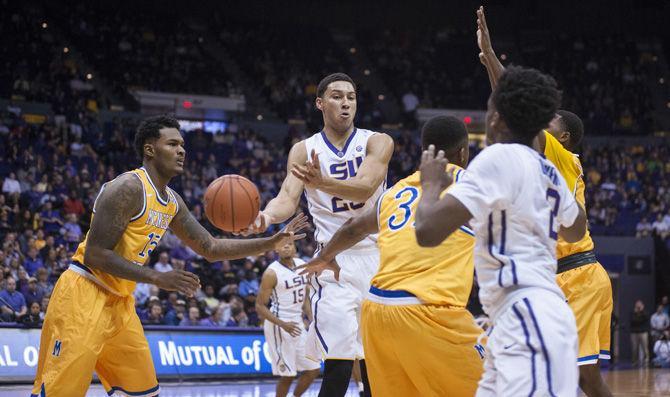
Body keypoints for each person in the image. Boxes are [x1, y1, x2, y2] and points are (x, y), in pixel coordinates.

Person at [31, 115, 309, 397]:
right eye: (173, 143)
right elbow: (95, 255)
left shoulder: (172, 201)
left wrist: (270, 242)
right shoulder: (127, 188)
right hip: (83, 294)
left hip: (119, 304)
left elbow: (210, 248)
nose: (181, 150)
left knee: (144, 393)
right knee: (59, 392)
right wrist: (156, 277)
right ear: (150, 150)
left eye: (183, 145)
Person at [415, 66, 587, 396]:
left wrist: (431, 185)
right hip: (518, 319)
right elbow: (576, 229)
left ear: (496, 119)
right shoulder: (546, 169)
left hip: (529, 317)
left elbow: (427, 231)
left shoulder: (498, 158)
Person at [476, 7, 614, 396]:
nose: (542, 121)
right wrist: (489, 62)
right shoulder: (538, 164)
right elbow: (513, 110)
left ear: (564, 136)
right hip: (557, 277)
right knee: (560, 375)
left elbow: (519, 106)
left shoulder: (562, 157)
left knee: (581, 377)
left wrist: (491, 56)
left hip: (579, 275)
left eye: (551, 120)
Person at [299, 116, 485, 396]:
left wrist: (325, 257)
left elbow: (352, 228)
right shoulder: (472, 185)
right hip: (428, 310)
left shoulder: (396, 192)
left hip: (377, 312)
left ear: (425, 152)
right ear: (463, 153)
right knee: (501, 385)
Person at [244, 72, 394, 396]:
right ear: (320, 103)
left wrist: (321, 182)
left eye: (351, 97)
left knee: (375, 365)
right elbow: (287, 197)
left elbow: (366, 186)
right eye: (337, 96)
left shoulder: (377, 141)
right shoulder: (303, 150)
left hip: (380, 259)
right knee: (338, 364)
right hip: (332, 262)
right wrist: (266, 216)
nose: (345, 103)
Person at [257, 242, 320, 397]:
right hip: (279, 324)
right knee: (288, 375)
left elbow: (304, 297)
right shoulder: (271, 273)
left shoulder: (302, 265)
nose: (286, 247)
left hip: (297, 324)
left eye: (289, 244)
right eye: (282, 245)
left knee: (313, 369)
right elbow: (259, 306)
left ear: (295, 248)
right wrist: (283, 324)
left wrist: (312, 318)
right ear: (276, 249)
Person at [630, 299, 650, 367]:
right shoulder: (633, 312)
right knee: (634, 348)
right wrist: (637, 314)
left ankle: (646, 361)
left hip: (643, 332)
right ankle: (634, 362)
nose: (638, 306)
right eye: (637, 304)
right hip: (634, 333)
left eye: (639, 304)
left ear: (642, 305)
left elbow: (646, 318)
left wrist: (642, 311)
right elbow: (633, 321)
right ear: (635, 305)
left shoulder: (645, 312)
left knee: (645, 347)